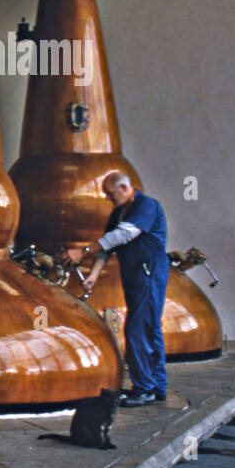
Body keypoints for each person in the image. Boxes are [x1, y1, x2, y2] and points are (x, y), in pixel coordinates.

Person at [65, 172, 169, 405]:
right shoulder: (119, 212)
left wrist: (82, 251)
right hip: (134, 275)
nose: (108, 199)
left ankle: (144, 389)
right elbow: (107, 245)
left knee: (137, 330)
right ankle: (157, 387)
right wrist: (93, 275)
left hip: (148, 273)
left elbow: (123, 235)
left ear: (124, 188)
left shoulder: (147, 205)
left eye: (110, 194)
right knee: (150, 329)